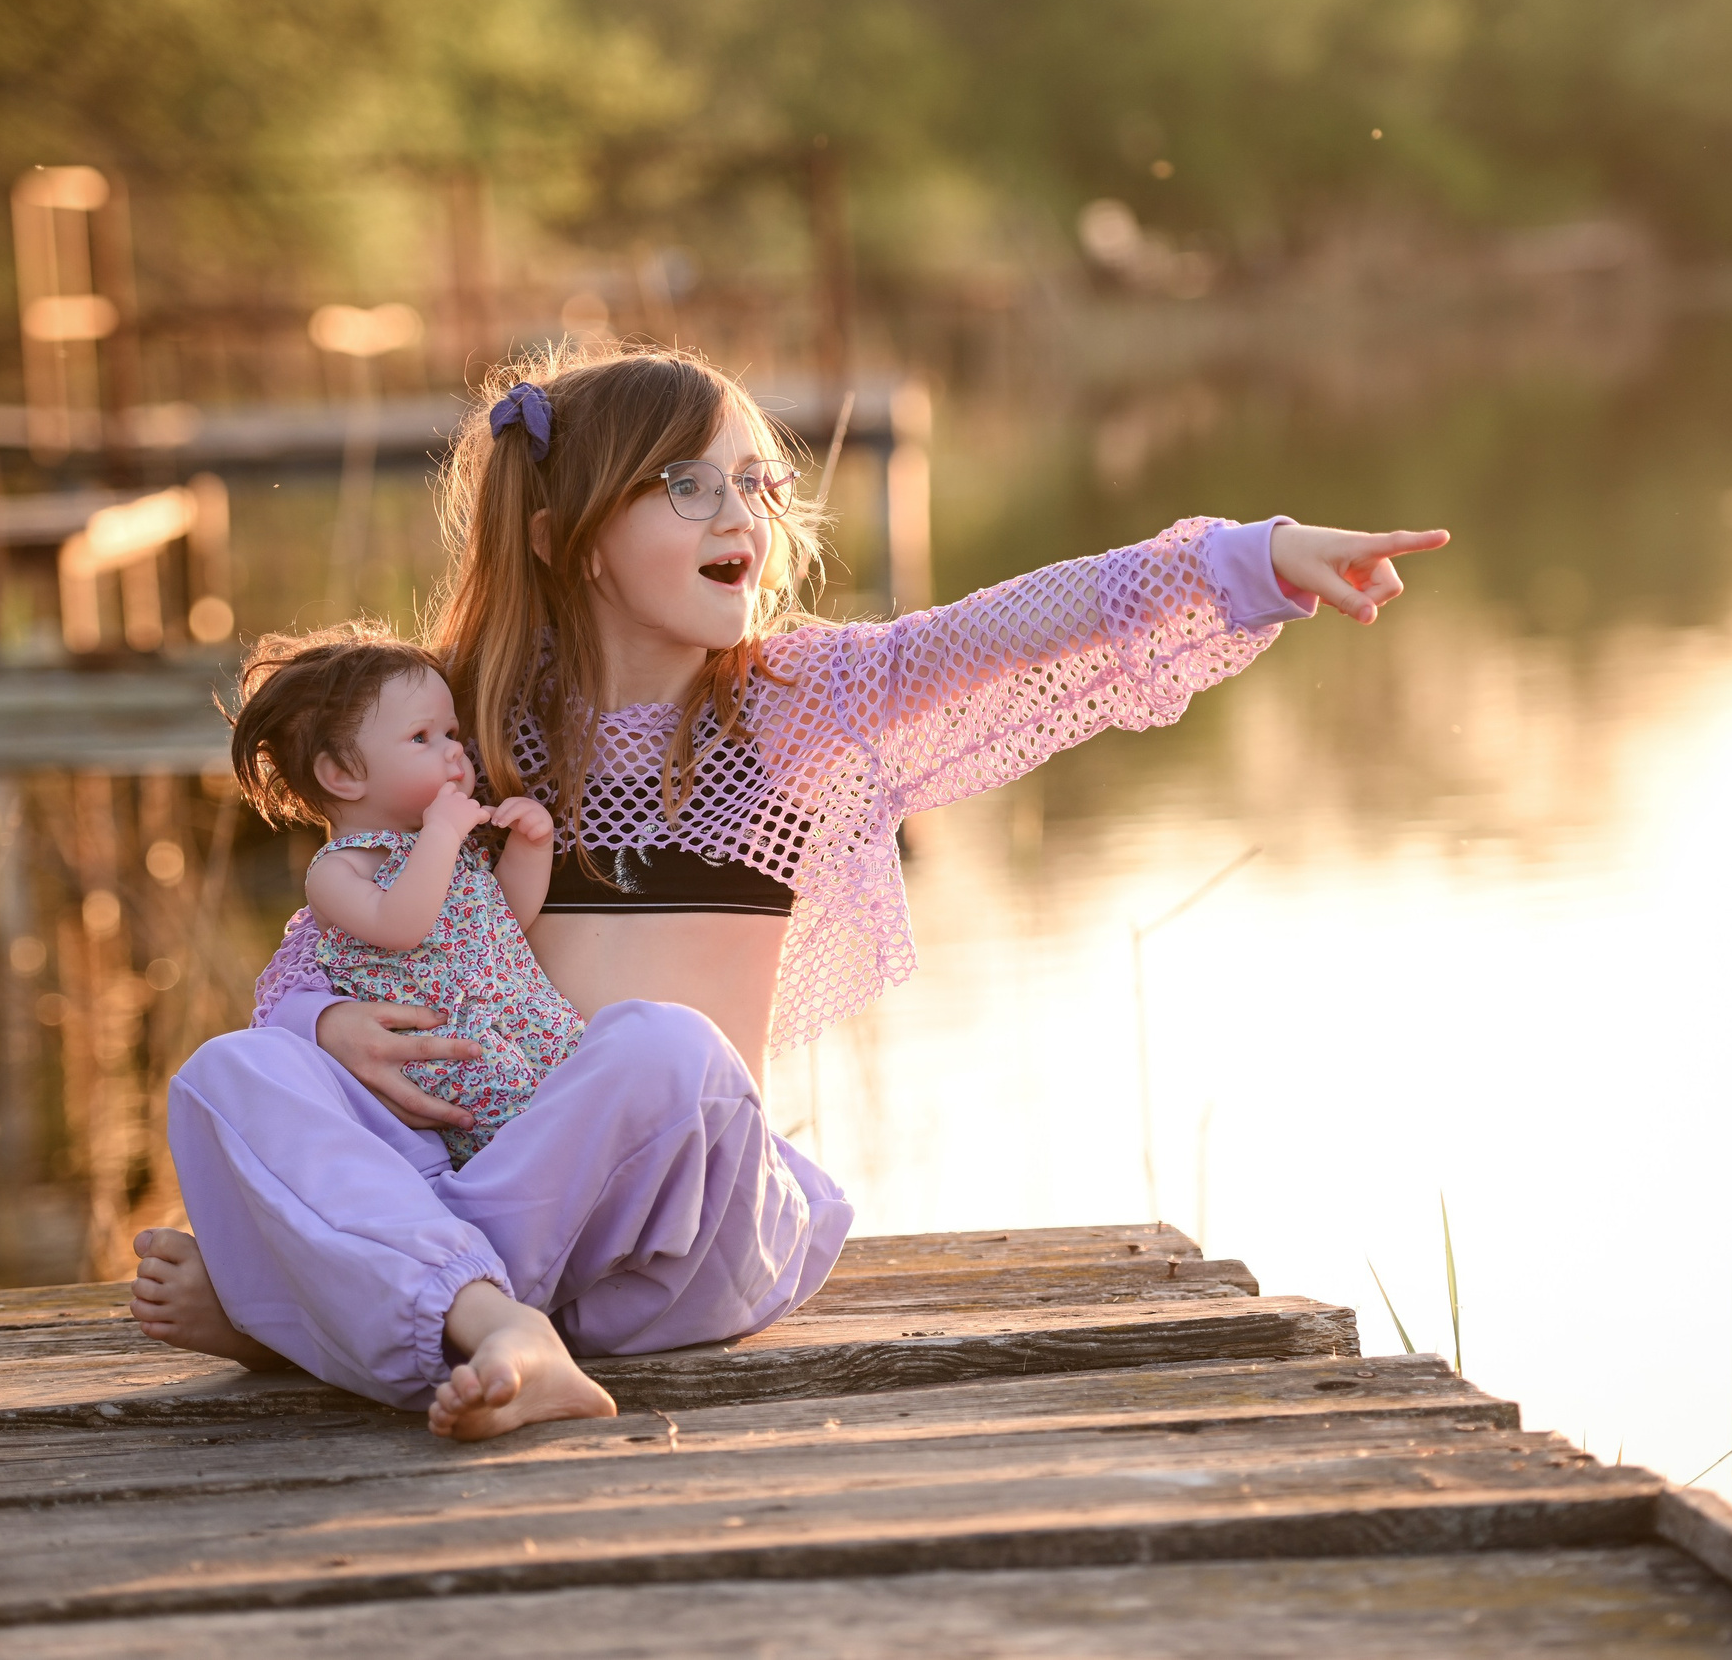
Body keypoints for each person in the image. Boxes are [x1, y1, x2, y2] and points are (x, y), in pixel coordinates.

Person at [130, 347, 1447, 1441]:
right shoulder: (463, 724)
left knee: (655, 1045)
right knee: (229, 1071)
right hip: (492, 1174)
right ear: (565, 538)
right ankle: (485, 1324)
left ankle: (327, 1303)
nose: (738, 516)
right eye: (684, 485)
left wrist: (1254, 556)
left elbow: (1013, 626)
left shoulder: (796, 709)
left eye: (754, 483)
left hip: (681, 1228)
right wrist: (316, 1029)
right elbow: (327, 947)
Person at [225, 624, 581, 1169]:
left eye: (451, 733)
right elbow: (400, 925)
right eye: (423, 738)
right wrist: (442, 835)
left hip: (522, 1016)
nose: (455, 753)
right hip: (444, 1047)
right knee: (522, 1118)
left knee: (587, 1071)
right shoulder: (337, 870)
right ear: (343, 774)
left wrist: (531, 847)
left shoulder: (438, 845)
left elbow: (505, 916)